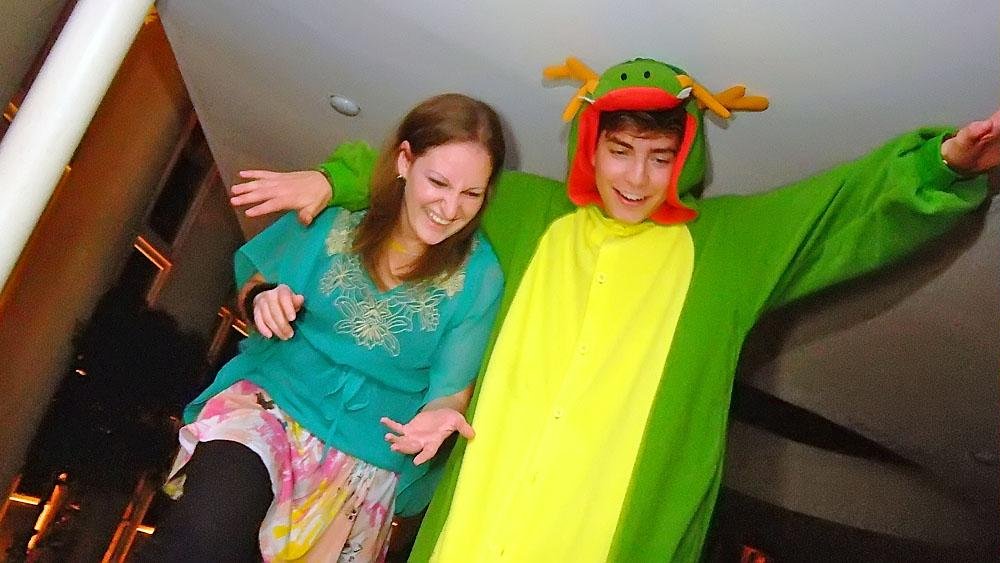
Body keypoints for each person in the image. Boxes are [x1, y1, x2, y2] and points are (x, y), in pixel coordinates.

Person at [229, 58, 1000, 562]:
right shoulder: (526, 212)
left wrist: (942, 165)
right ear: (589, 146)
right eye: (620, 151)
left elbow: (842, 209)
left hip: (605, 535)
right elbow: (433, 177)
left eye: (659, 158)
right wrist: (333, 180)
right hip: (477, 527)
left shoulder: (728, 247)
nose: (636, 178)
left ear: (683, 156)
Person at [141, 93, 506, 562]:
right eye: (438, 182)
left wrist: (439, 416)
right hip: (271, 409)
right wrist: (262, 300)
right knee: (204, 538)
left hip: (362, 463)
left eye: (471, 194)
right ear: (404, 161)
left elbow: (451, 392)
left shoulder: (480, 276)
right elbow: (254, 284)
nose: (450, 207)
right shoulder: (338, 216)